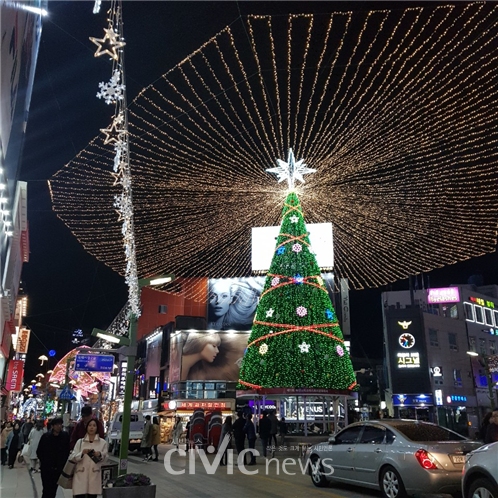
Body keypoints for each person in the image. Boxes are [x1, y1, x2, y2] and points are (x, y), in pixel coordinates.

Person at [70, 419, 107, 498]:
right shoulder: (80, 442)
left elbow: (105, 458)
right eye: (90, 425)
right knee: (80, 496)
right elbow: (73, 457)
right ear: (86, 427)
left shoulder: (103, 443)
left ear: (97, 428)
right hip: (80, 475)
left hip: (94, 476)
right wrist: (82, 453)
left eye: (94, 425)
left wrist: (100, 454)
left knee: (92, 496)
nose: (92, 428)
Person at [37, 417, 70, 498]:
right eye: (57, 424)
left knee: (53, 490)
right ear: (52, 426)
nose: (59, 426)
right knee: (46, 489)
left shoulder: (65, 436)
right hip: (46, 469)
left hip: (58, 469)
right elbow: (39, 451)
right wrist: (45, 462)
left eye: (60, 424)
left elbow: (67, 451)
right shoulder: (46, 437)